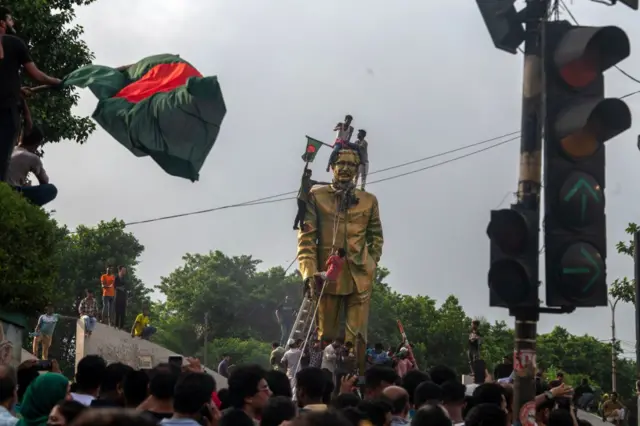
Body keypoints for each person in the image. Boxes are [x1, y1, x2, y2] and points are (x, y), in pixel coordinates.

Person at [298, 147, 384, 373]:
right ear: (332, 166)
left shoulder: (369, 200)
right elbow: (306, 240)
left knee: (356, 338)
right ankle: (325, 385)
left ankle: (356, 383)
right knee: (326, 335)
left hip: (360, 275)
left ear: (358, 170)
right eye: (341, 163)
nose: (346, 169)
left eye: (351, 165)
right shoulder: (316, 196)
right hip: (328, 276)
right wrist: (309, 273)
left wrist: (371, 263)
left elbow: (376, 237)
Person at [0, 6, 62, 182]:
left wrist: (17, 90)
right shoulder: (13, 42)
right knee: (2, 156)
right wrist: (56, 82)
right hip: (5, 108)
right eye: (10, 19)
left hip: (8, 100)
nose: (13, 22)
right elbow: (36, 74)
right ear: (2, 22)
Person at [6, 127, 58, 206]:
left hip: (3, 185)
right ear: (37, 144)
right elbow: (44, 181)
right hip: (12, 189)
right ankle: (25, 204)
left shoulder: (10, 149)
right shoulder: (32, 158)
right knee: (51, 189)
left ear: (20, 137)